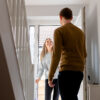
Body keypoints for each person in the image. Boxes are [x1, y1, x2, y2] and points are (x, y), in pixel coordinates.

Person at [48, 8, 87, 100]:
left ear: (61, 17)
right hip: (79, 73)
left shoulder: (59, 31)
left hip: (66, 72)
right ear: (72, 17)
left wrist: (50, 76)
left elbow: (56, 55)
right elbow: (84, 54)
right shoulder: (81, 33)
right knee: (72, 97)